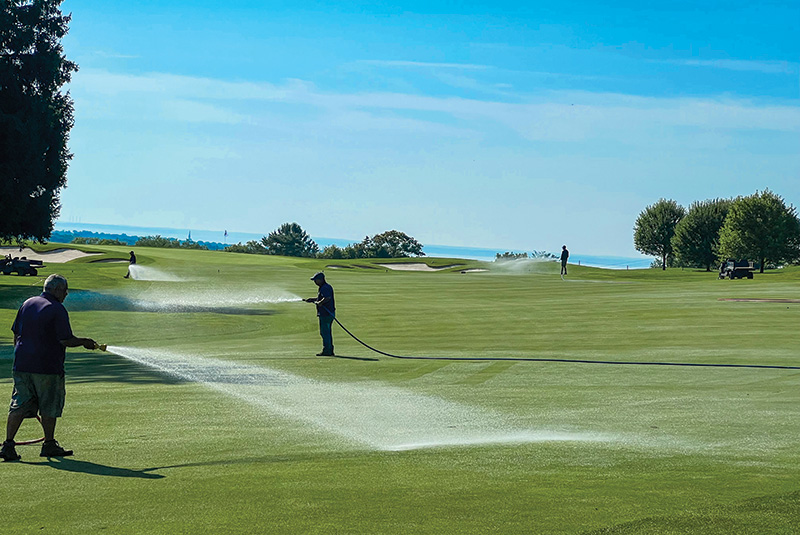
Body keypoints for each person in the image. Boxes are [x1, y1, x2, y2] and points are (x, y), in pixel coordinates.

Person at [1, 274, 99, 461]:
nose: (66, 294)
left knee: (19, 404)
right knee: (49, 405)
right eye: (65, 290)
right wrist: (85, 342)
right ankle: (49, 444)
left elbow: (16, 334)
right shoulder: (57, 309)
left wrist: (19, 357)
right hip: (47, 367)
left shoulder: (27, 303)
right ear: (56, 290)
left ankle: (8, 445)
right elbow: (65, 340)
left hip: (21, 365)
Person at [304, 272, 335, 356]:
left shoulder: (324, 288)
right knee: (327, 332)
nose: (315, 282)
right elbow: (321, 298)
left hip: (326, 314)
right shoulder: (324, 287)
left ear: (321, 280)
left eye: (316, 280)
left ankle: (327, 351)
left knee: (324, 332)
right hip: (328, 313)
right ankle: (329, 350)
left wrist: (320, 302)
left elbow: (327, 298)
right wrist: (312, 300)